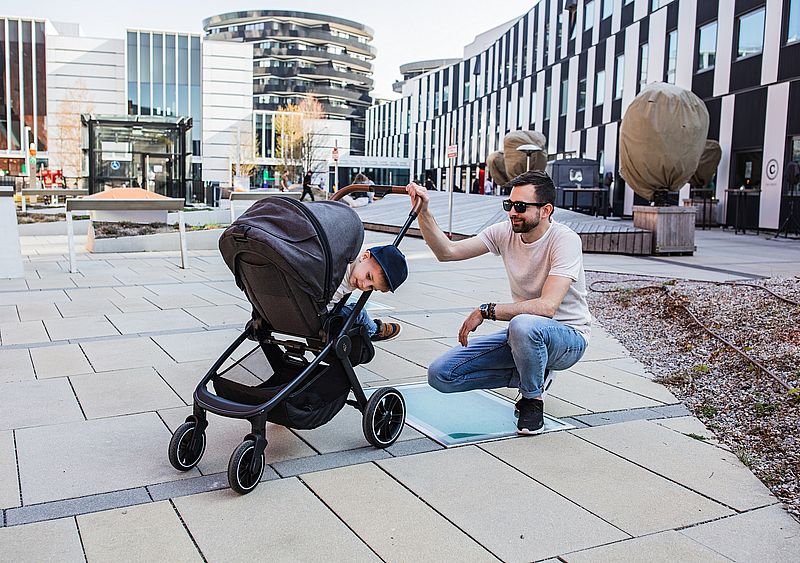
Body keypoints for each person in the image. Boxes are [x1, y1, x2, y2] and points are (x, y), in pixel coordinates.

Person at [406, 170, 590, 435]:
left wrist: (487, 311)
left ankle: (532, 400)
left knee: (524, 325)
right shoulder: (504, 232)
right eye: (509, 205)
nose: (512, 212)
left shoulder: (564, 240)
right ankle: (534, 375)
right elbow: (448, 252)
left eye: (521, 206)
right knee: (441, 375)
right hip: (524, 336)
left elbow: (547, 307)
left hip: (568, 339)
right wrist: (424, 212)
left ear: (546, 209)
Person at [328, 245, 406, 342]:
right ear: (364, 256)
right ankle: (374, 330)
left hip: (306, 309)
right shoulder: (339, 278)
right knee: (358, 313)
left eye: (372, 287)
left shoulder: (341, 254)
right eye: (369, 276)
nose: (364, 285)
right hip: (317, 319)